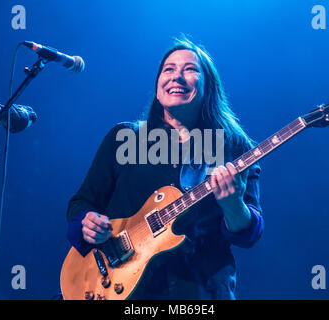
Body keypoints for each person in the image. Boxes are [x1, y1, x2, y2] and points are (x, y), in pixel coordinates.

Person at [66, 36, 263, 300]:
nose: (177, 77)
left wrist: (232, 205)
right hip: (119, 287)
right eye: (168, 69)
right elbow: (81, 203)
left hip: (198, 290)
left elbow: (248, 234)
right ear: (158, 87)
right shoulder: (124, 138)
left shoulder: (234, 146)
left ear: (208, 86)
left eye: (190, 69)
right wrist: (86, 223)